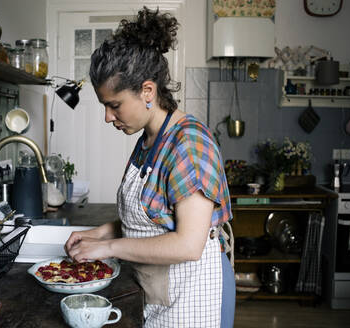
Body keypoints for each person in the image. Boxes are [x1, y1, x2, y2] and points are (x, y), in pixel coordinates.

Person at [64, 7, 235, 328]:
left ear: (147, 91)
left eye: (114, 106)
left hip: (194, 297)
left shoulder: (189, 144)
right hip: (159, 292)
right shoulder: (149, 140)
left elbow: (188, 244)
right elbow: (153, 218)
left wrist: (108, 246)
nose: (108, 117)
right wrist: (98, 233)